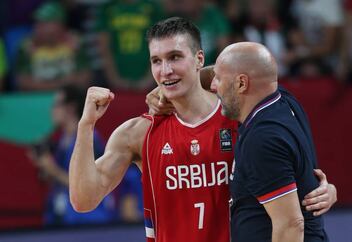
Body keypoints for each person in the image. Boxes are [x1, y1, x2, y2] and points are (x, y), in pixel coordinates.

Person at [69, 17, 335, 242]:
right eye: (156, 61)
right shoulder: (138, 132)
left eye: (174, 57)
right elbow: (84, 200)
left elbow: (288, 184)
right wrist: (86, 125)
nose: (165, 70)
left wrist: (319, 192)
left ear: (199, 59)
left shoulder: (241, 118)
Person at [210, 42, 329, 241]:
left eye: (218, 79)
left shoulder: (262, 140)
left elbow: (291, 225)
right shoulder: (284, 100)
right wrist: (167, 87)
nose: (213, 85)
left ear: (241, 83)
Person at [30, 84, 116, 226]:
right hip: (63, 217)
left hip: (89, 220)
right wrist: (44, 167)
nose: (52, 110)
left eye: (56, 105)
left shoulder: (90, 139)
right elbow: (62, 182)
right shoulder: (61, 140)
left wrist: (52, 169)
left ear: (70, 107)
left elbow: (87, 185)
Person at [15, 1, 91, 91]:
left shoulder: (75, 43)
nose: (38, 28)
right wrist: (59, 84)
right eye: (37, 23)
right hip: (36, 99)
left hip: (70, 97)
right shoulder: (27, 46)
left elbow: (84, 79)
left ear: (60, 24)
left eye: (44, 23)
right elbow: (23, 82)